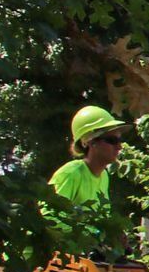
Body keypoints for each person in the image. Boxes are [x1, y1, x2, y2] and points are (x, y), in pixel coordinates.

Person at [44, 104, 132, 253]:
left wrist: (112, 234)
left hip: (72, 264)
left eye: (119, 140)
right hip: (35, 266)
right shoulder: (71, 173)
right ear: (90, 141)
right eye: (112, 140)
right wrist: (94, 235)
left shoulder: (104, 176)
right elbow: (48, 217)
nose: (119, 147)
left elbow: (99, 222)